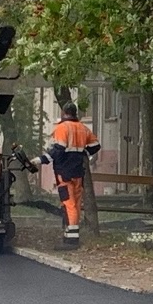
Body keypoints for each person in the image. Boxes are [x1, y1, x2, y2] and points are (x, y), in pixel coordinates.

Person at [47, 103, 100, 245]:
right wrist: (84, 153)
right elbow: (96, 145)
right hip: (78, 172)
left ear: (64, 112)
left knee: (68, 202)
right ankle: (71, 233)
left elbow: (59, 149)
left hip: (64, 171)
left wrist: (42, 159)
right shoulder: (83, 128)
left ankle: (72, 237)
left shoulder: (62, 128)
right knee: (75, 203)